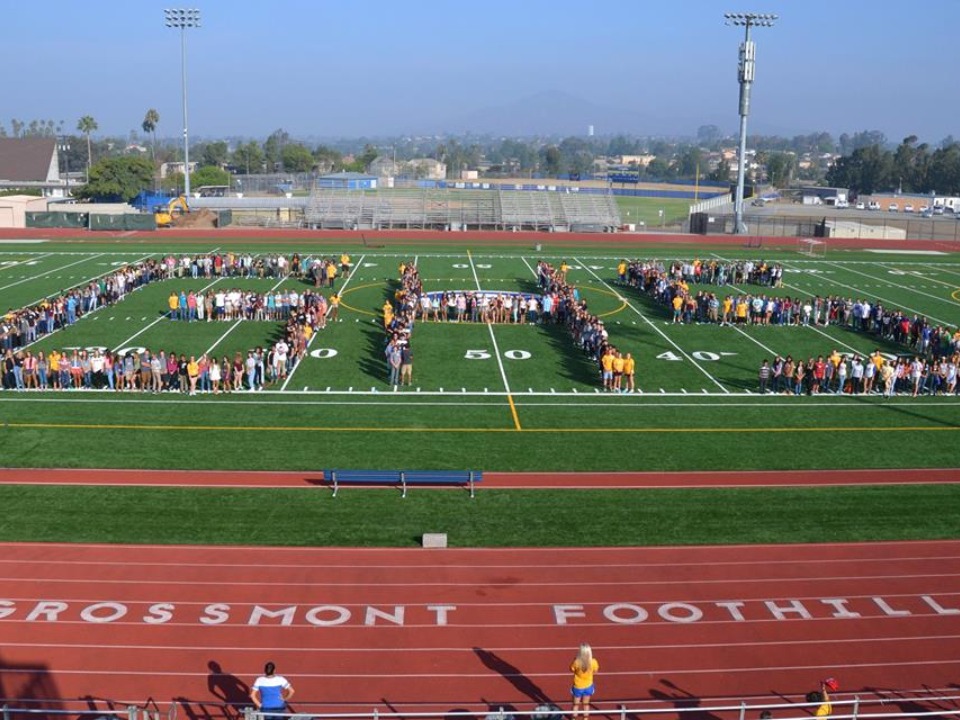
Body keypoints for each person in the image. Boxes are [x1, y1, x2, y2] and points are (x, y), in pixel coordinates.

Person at [570, 643, 599, 720]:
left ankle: (574, 719)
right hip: (588, 686)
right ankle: (585, 719)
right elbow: (595, 671)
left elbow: (571, 669)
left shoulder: (576, 662)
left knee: (575, 705)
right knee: (586, 704)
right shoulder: (593, 662)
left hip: (578, 686)